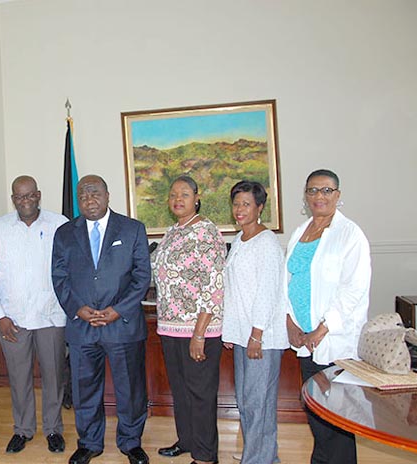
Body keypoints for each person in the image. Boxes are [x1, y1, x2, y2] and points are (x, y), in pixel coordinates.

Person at [52, 175, 151, 464]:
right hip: (82, 326)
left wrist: (118, 309)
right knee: (84, 390)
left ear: (108, 195)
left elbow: (142, 276)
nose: (89, 199)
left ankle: (131, 443)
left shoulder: (132, 229)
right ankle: (90, 443)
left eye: (95, 193)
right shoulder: (65, 233)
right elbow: (59, 277)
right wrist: (78, 308)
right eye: (83, 194)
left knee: (130, 389)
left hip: (122, 324)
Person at [284, 169, 371, 464]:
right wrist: (290, 323)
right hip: (305, 342)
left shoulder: (350, 234)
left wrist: (321, 330)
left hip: (334, 343)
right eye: (312, 191)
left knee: (339, 421)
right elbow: (287, 282)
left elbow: (353, 290)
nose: (318, 196)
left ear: (338, 195)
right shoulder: (300, 232)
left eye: (326, 190)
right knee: (317, 416)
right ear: (305, 196)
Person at [0, 175, 69, 454]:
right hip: (12, 320)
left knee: (54, 376)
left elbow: (72, 269)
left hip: (51, 316)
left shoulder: (60, 225)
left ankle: (53, 429)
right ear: (13, 199)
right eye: (20, 196)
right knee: (18, 378)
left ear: (39, 195)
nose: (25, 201)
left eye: (30, 195)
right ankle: (23, 429)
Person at [151, 175, 226, 464]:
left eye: (184, 194)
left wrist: (199, 334)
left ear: (197, 197)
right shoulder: (172, 232)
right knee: (181, 391)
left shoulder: (206, 232)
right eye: (173, 195)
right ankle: (187, 440)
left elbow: (214, 285)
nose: (177, 199)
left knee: (201, 394)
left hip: (198, 330)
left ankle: (206, 456)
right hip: (170, 328)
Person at [222, 181, 288, 464]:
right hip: (242, 335)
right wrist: (231, 330)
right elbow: (233, 289)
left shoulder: (267, 243)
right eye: (236, 204)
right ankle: (262, 455)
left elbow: (268, 292)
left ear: (259, 208)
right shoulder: (240, 239)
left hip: (262, 336)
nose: (240, 210)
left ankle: (258, 459)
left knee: (258, 401)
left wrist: (257, 334)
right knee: (247, 401)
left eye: (246, 204)